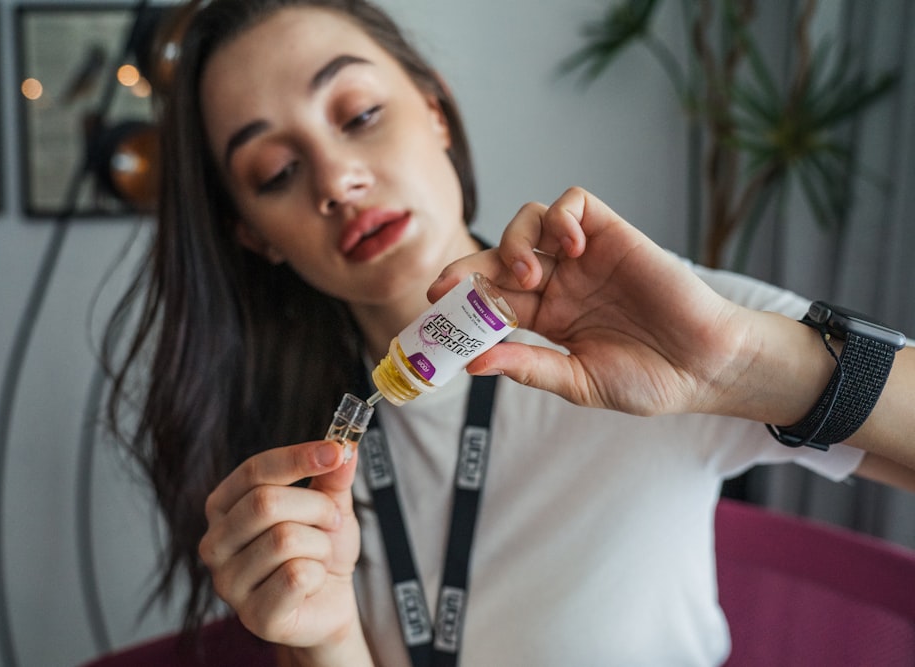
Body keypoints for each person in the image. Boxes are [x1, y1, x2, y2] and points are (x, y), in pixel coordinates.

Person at [103, 0, 915, 665]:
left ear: (436, 111)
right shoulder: (282, 437)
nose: (338, 180)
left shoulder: (654, 319)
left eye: (360, 113)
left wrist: (740, 364)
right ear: (256, 234)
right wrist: (326, 640)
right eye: (275, 172)